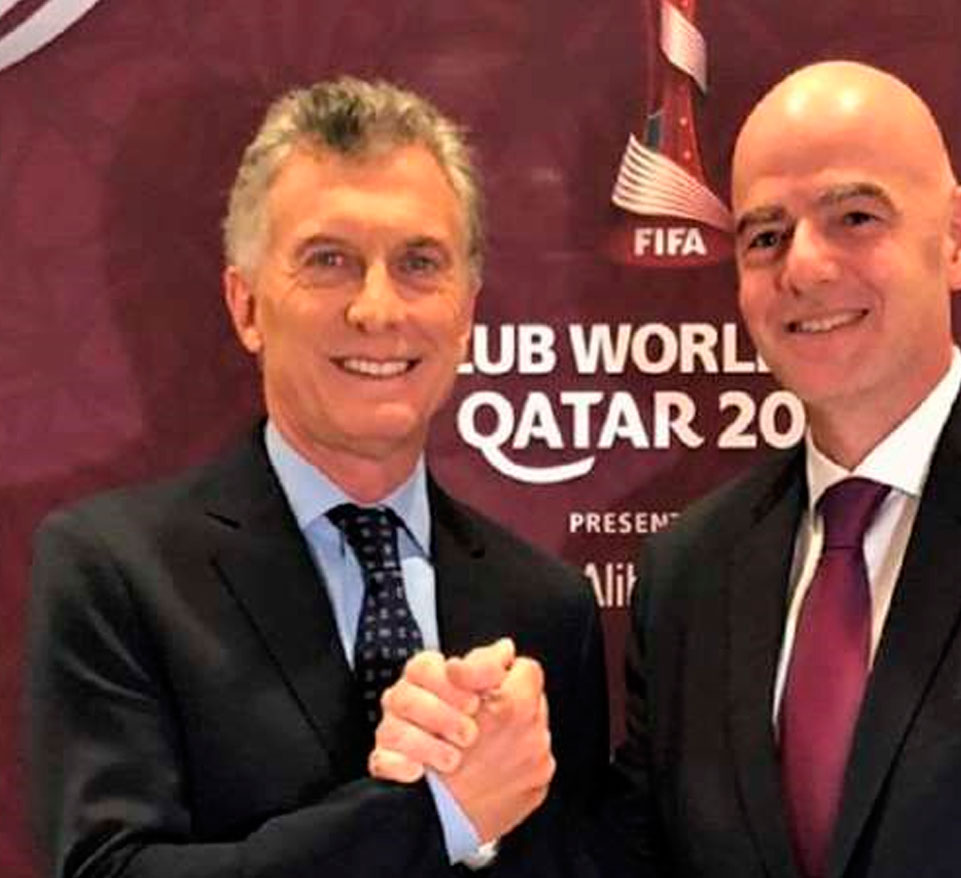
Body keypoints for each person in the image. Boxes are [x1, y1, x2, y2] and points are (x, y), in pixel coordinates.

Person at [373, 61, 961, 877]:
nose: (803, 267)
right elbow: (633, 859)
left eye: (854, 217)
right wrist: (478, 799)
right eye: (765, 236)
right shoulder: (689, 573)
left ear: (957, 238)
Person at [25, 76, 608, 878]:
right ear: (246, 306)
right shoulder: (116, 572)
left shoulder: (546, 609)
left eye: (418, 263)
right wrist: (438, 815)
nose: (377, 309)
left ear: (467, 312)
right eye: (329, 261)